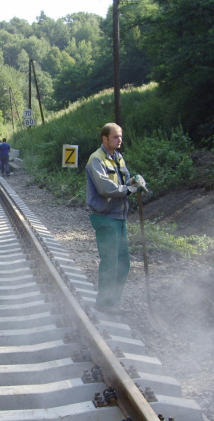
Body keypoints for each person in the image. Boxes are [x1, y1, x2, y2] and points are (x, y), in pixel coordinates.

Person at [85, 122, 146, 313]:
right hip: (105, 217)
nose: (120, 140)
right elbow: (105, 188)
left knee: (123, 263)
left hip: (119, 216)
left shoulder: (118, 158)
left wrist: (133, 181)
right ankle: (104, 303)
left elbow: (121, 182)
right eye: (115, 137)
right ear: (105, 138)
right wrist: (129, 189)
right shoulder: (96, 160)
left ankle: (114, 302)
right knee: (110, 262)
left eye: (120, 136)